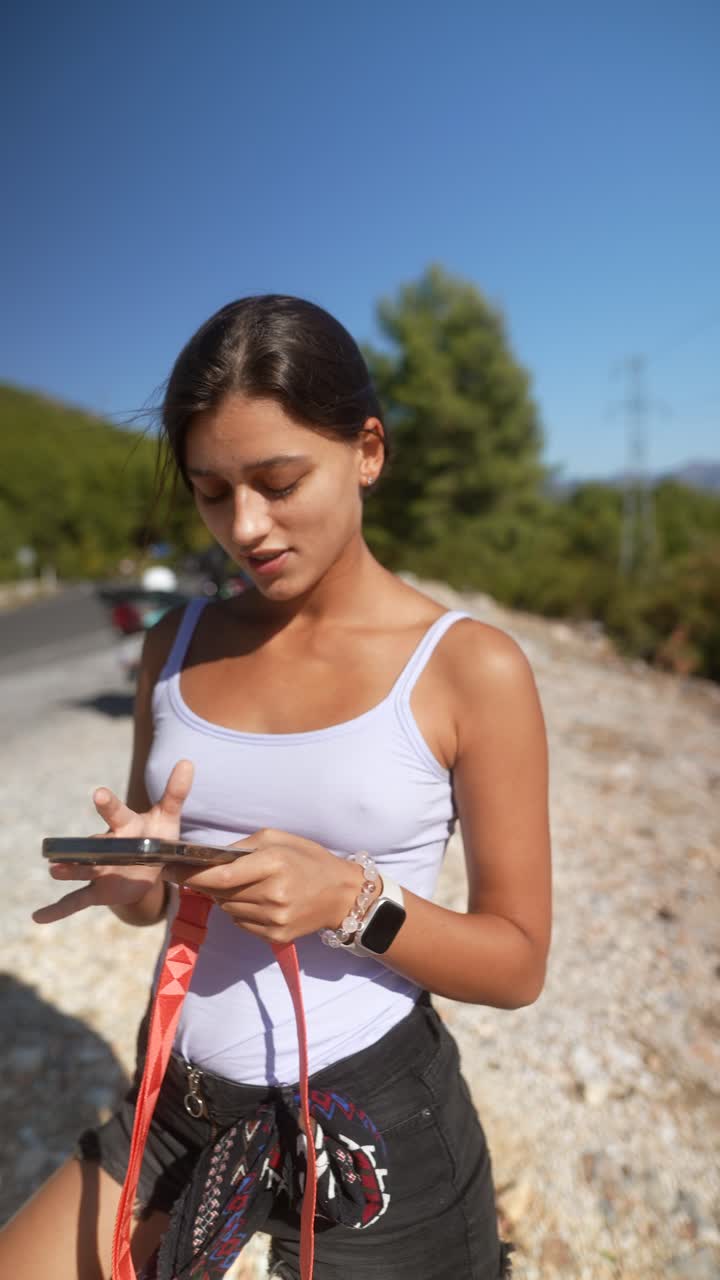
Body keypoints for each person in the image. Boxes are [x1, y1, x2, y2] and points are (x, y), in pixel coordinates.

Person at [1, 295, 552, 1280]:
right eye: (212, 492)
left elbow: (516, 963)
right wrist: (139, 885)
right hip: (179, 1102)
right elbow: (162, 896)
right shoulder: (172, 647)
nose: (245, 527)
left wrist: (350, 898)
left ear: (368, 450)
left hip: (373, 1126)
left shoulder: (470, 667)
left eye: (279, 481)